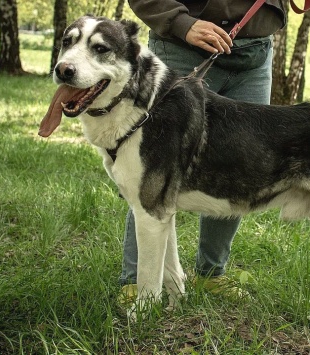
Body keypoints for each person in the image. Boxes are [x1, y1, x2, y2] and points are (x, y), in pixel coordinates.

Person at [119, 0, 286, 301]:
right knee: (151, 173)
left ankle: (211, 274)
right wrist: (181, 23)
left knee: (243, 165)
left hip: (254, 53)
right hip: (182, 48)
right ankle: (136, 283)